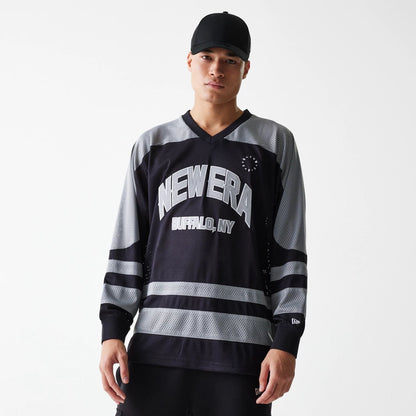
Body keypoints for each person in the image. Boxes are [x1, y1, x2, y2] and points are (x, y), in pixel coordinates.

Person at [99, 11, 307, 416]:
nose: (217, 69)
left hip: (242, 355)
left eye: (230, 60)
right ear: (189, 61)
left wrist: (286, 341)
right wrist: (112, 331)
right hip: (155, 351)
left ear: (246, 69)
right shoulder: (153, 146)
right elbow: (128, 244)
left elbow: (289, 248)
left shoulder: (273, 145)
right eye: (207, 57)